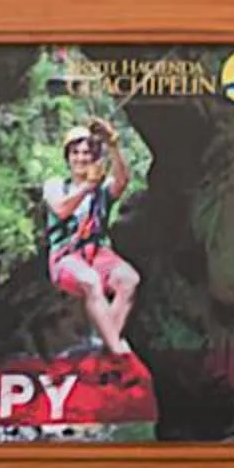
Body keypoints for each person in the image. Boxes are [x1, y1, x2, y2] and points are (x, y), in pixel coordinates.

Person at [43, 119, 137, 357]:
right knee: (91, 280)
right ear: (68, 157)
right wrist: (87, 186)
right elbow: (61, 210)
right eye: (75, 153)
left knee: (129, 280)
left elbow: (123, 181)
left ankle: (105, 345)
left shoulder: (102, 189)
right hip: (66, 255)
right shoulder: (55, 185)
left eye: (86, 153)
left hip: (97, 253)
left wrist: (113, 145)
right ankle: (116, 349)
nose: (81, 158)